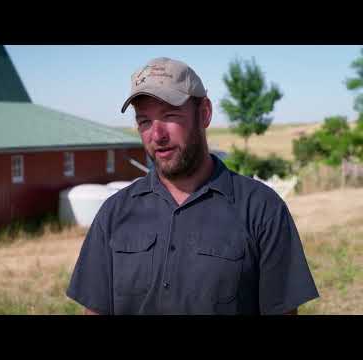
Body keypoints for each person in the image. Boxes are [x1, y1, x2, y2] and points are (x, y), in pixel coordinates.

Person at [66, 57, 319, 315]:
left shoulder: (262, 210)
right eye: (144, 121)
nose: (157, 135)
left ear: (205, 113)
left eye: (170, 115)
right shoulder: (114, 213)